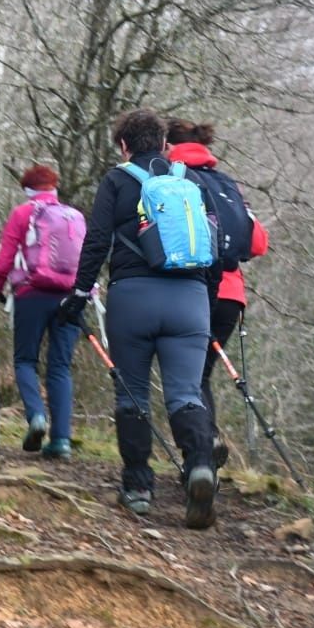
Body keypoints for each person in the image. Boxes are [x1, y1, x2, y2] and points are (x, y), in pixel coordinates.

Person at [58, 108, 219, 528]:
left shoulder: (117, 180)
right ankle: (200, 466)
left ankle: (138, 487)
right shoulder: (191, 180)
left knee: (132, 395)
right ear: (164, 144)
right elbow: (214, 242)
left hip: (133, 299)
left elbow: (97, 241)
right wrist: (206, 296)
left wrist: (79, 294)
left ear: (124, 146)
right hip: (190, 299)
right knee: (186, 394)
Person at [165, 118, 270, 468]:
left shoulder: (172, 179)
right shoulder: (228, 184)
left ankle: (202, 447)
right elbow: (258, 243)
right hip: (231, 294)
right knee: (198, 374)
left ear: (168, 146)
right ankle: (205, 443)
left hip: (192, 290)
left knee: (184, 376)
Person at [0, 164, 84, 459]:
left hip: (32, 294)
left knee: (25, 360)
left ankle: (37, 416)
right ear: (54, 188)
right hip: (70, 297)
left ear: (27, 190)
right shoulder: (74, 216)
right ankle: (61, 440)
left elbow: (5, 257)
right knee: (60, 366)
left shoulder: (23, 213)